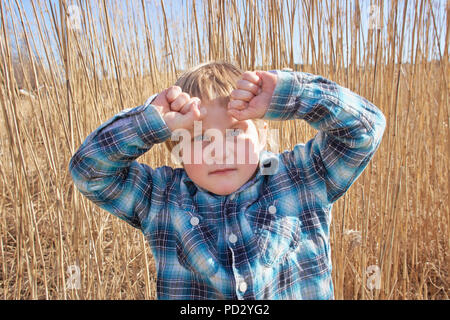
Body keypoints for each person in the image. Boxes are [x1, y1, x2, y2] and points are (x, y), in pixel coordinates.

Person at [69, 61, 386, 299]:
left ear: (262, 134)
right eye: (199, 137)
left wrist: (292, 94)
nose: (218, 152)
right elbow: (90, 171)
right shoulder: (162, 199)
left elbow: (365, 130)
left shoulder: (300, 177)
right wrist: (148, 122)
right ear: (176, 145)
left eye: (235, 132)